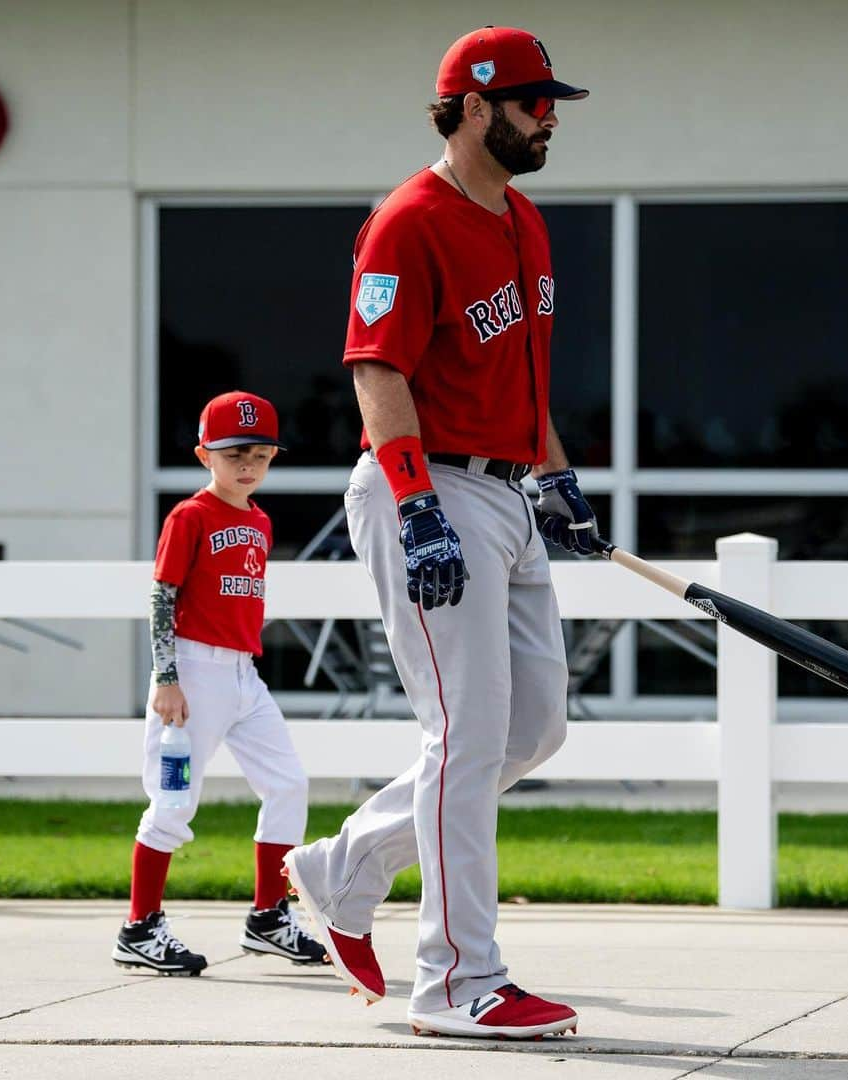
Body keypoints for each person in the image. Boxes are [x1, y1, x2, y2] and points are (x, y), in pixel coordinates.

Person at [283, 26, 594, 1038]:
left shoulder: (525, 220)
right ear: (471, 106)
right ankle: (458, 983)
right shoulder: (408, 220)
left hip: (508, 494)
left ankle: (344, 868)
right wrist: (418, 507)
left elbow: (526, 378)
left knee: (531, 727)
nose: (550, 117)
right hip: (428, 487)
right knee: (460, 737)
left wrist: (557, 481)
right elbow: (379, 371)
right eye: (532, 102)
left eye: (552, 102)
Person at [113, 391, 328, 975]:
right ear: (205, 454)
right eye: (234, 452)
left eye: (261, 453)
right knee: (173, 801)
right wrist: (166, 676)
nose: (248, 464)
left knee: (288, 784)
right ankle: (140, 926)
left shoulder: (259, 520)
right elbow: (163, 595)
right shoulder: (190, 516)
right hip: (192, 674)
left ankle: (267, 917)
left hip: (242, 675)